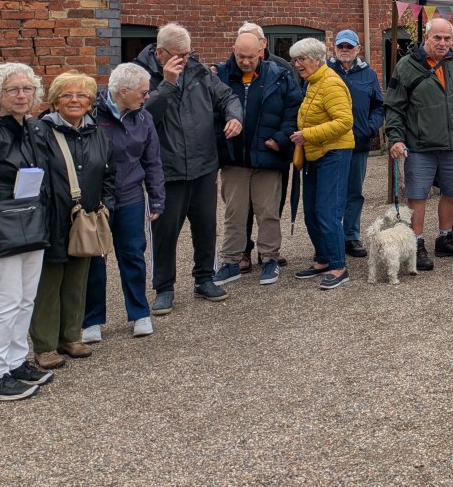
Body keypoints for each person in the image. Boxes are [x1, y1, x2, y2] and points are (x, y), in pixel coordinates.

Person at [137, 23, 243, 313]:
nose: (185, 59)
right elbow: (142, 119)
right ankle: (164, 287)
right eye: (179, 55)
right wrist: (167, 84)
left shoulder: (199, 72)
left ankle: (205, 278)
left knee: (206, 225)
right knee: (165, 231)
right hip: (167, 168)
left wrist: (234, 116)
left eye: (188, 53)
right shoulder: (141, 74)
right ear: (160, 53)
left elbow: (228, 97)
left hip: (203, 164)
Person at [0, 63, 54, 402]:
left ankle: (14, 362)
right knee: (3, 302)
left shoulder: (32, 127)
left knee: (25, 299)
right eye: (13, 90)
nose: (22, 95)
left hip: (31, 222)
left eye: (27, 89)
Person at [30, 72, 117, 368]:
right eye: (67, 95)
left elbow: (109, 175)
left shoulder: (98, 134)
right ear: (55, 101)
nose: (74, 100)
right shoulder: (40, 132)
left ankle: (70, 336)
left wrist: (106, 206)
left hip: (86, 219)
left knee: (77, 281)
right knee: (48, 284)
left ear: (91, 102)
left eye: (81, 95)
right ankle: (44, 345)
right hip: (50, 218)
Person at [212, 27, 302, 287]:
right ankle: (230, 261)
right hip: (234, 157)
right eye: (240, 56)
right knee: (234, 213)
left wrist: (281, 138)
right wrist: (221, 139)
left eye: (250, 57)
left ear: (261, 51)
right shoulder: (220, 76)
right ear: (233, 51)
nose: (245, 61)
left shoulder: (279, 75)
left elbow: (293, 111)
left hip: (268, 157)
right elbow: (210, 112)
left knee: (268, 212)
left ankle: (269, 258)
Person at [84, 63, 165, 342]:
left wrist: (157, 199)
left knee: (132, 255)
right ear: (123, 91)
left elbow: (152, 161)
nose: (147, 96)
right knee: (95, 259)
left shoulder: (143, 117)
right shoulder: (91, 114)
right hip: (97, 201)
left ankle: (140, 313)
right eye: (143, 92)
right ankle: (91, 320)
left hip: (130, 196)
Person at [385, 18, 453, 269]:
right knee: (417, 195)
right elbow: (394, 106)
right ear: (426, 37)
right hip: (420, 145)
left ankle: (445, 238)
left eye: (447, 38)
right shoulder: (406, 65)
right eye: (437, 38)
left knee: (452, 191)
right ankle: (416, 244)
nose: (443, 43)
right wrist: (396, 138)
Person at [289, 38, 354, 289]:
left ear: (316, 59)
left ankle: (338, 266)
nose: (298, 64)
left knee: (328, 212)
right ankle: (324, 259)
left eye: (302, 59)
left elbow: (344, 122)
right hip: (315, 154)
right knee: (312, 212)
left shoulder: (331, 83)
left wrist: (308, 135)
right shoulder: (313, 82)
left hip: (334, 154)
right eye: (295, 60)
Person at [328, 28, 385, 259]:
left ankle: (351, 236)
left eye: (349, 46)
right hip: (330, 143)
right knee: (331, 193)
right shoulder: (324, 71)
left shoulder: (368, 74)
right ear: (334, 48)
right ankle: (330, 238)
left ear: (358, 49)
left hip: (357, 144)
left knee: (354, 192)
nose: (345, 50)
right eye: (341, 46)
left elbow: (378, 106)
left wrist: (370, 128)